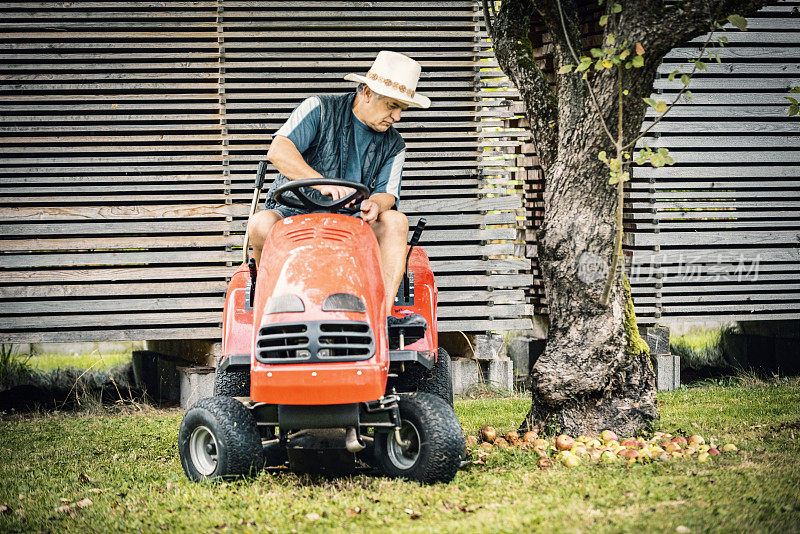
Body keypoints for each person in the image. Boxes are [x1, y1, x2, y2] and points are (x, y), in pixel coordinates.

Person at [247, 50, 430, 343]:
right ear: (368, 93)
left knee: (395, 221)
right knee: (259, 224)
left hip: (352, 224)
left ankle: (381, 318)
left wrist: (376, 204)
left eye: (402, 109)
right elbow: (278, 150)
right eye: (392, 105)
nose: (396, 116)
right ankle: (267, 312)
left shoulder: (394, 144)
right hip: (293, 216)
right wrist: (320, 184)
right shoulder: (319, 108)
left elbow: (388, 194)